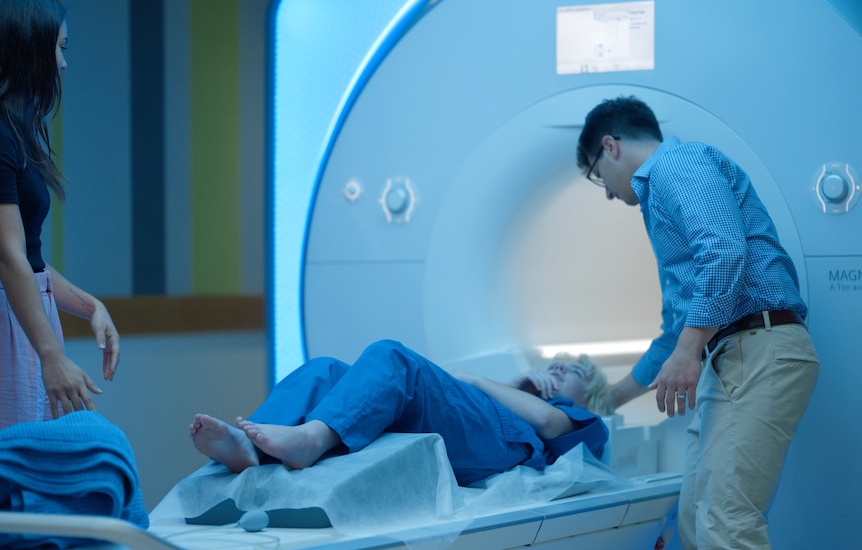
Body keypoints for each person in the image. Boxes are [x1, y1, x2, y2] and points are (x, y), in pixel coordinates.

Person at [576, 95, 819, 549]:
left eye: (597, 177)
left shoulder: (677, 164)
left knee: (726, 525)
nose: (607, 192)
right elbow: (676, 330)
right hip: (731, 359)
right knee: (693, 521)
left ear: (609, 146)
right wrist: (611, 398)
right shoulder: (660, 199)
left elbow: (725, 252)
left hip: (757, 348)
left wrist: (689, 352)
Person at [189, 339, 612, 486]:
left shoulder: (584, 423)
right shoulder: (515, 390)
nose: (557, 370)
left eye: (571, 371)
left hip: (507, 443)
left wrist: (487, 382)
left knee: (394, 356)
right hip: (473, 418)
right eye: (553, 364)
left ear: (590, 397)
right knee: (324, 370)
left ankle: (311, 439)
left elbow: (546, 423)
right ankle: (249, 448)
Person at [0, 0, 120, 429]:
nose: (63, 63)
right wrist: (49, 354)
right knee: (19, 472)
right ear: (27, 48)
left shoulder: (15, 130)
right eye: (58, 48)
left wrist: (91, 307)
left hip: (25, 322)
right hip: (14, 329)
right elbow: (7, 257)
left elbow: (29, 259)